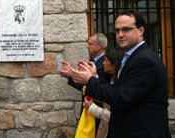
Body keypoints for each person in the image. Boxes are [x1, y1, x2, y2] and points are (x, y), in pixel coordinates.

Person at [70, 10, 171, 138]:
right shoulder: (130, 56)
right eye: (117, 31)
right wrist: (94, 80)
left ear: (141, 30)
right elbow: (120, 90)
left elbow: (123, 98)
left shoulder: (145, 60)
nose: (120, 35)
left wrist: (90, 80)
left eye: (126, 29)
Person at [58, 33, 111, 131]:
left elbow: (93, 86)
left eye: (90, 44)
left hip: (98, 112)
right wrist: (72, 74)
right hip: (89, 109)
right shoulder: (93, 61)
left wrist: (71, 76)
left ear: (99, 46)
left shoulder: (105, 64)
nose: (87, 46)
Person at [82, 47, 124, 138]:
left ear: (113, 65)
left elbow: (116, 116)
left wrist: (92, 108)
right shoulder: (113, 79)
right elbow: (110, 100)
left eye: (105, 60)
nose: (103, 63)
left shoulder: (120, 83)